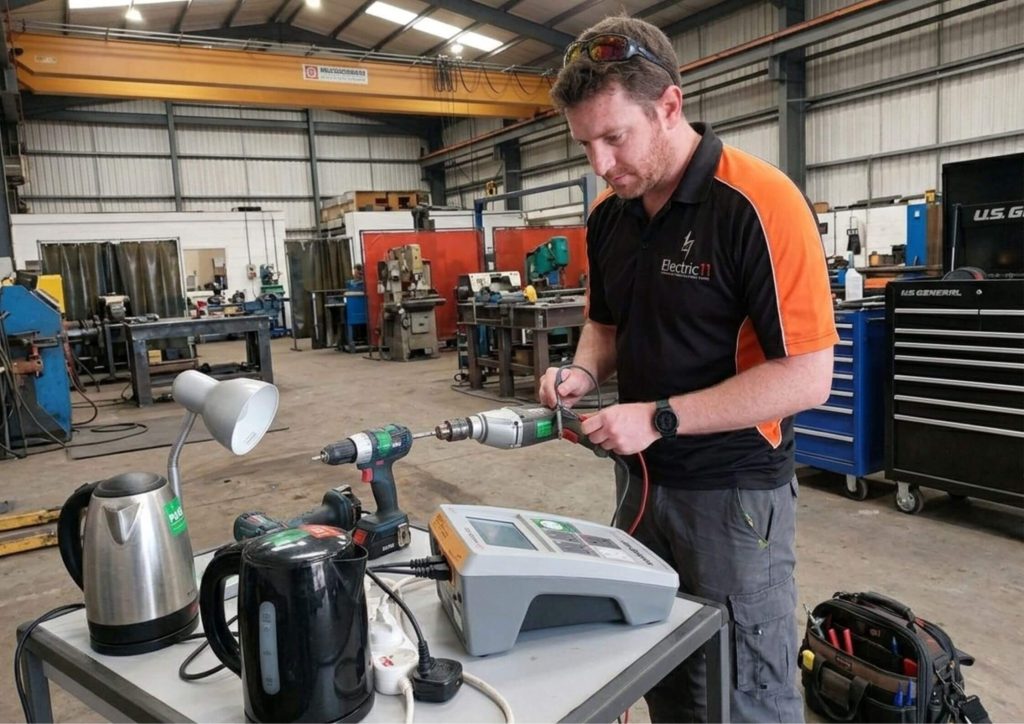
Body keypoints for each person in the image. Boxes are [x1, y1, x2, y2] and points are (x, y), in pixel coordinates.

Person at [539, 15, 838, 724]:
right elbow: (605, 326)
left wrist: (660, 417)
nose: (601, 165)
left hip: (732, 500)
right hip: (642, 487)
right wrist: (580, 373)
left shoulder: (759, 204)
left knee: (746, 690)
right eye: (586, 144)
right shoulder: (611, 216)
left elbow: (808, 377)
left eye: (616, 138)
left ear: (669, 106)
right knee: (662, 668)